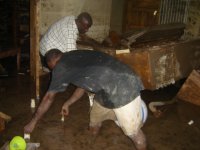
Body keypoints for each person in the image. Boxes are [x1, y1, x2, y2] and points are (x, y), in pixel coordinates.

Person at [24, 49, 148, 150]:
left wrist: (33, 122)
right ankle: (91, 144)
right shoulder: (74, 56)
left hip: (123, 86)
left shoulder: (61, 66)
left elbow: (48, 98)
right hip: (105, 88)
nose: (54, 72)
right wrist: (67, 103)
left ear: (53, 63)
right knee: (94, 120)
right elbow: (83, 85)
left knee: (133, 133)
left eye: (52, 69)